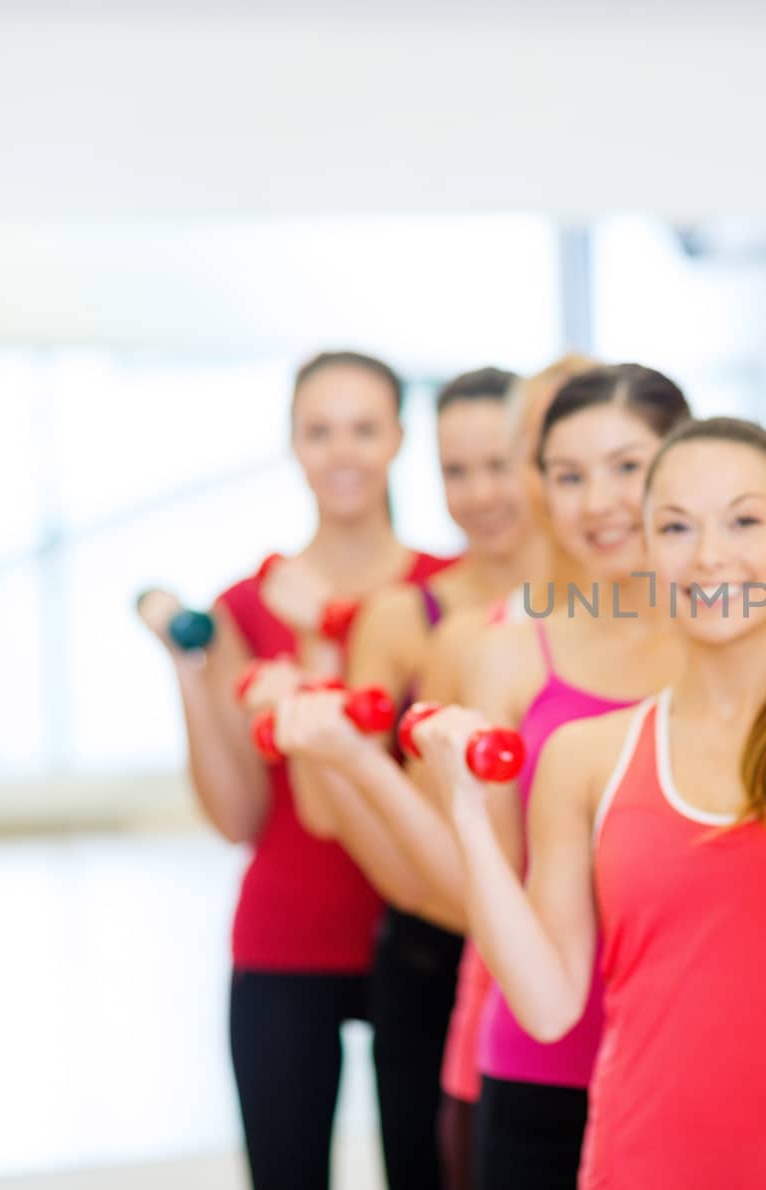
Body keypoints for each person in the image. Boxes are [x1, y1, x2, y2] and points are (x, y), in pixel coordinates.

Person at [277, 362, 690, 1187]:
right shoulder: (489, 645)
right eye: (567, 472)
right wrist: (364, 766)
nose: (598, 500)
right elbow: (456, 888)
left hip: (701, 1048)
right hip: (540, 1055)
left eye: (626, 467)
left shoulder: (744, 631)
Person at [417, 418, 766, 1189]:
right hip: (637, 1161)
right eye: (676, 527)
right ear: (648, 550)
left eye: (744, 520)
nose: (710, 554)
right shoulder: (588, 757)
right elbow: (547, 1006)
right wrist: (467, 812)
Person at [137, 350, 450, 1190]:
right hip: (286, 936)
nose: (342, 450)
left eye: (363, 428)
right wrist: (190, 676)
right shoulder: (243, 603)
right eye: (319, 430)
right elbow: (239, 816)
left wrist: (318, 654)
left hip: (425, 935)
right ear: (292, 444)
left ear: (398, 438)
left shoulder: (444, 592)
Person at [273, 365, 537, 1190]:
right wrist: (429, 888)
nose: (481, 493)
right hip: (434, 953)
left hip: (562, 937)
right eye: (456, 471)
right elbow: (325, 806)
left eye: (500, 463)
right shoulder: (405, 615)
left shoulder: (603, 604)